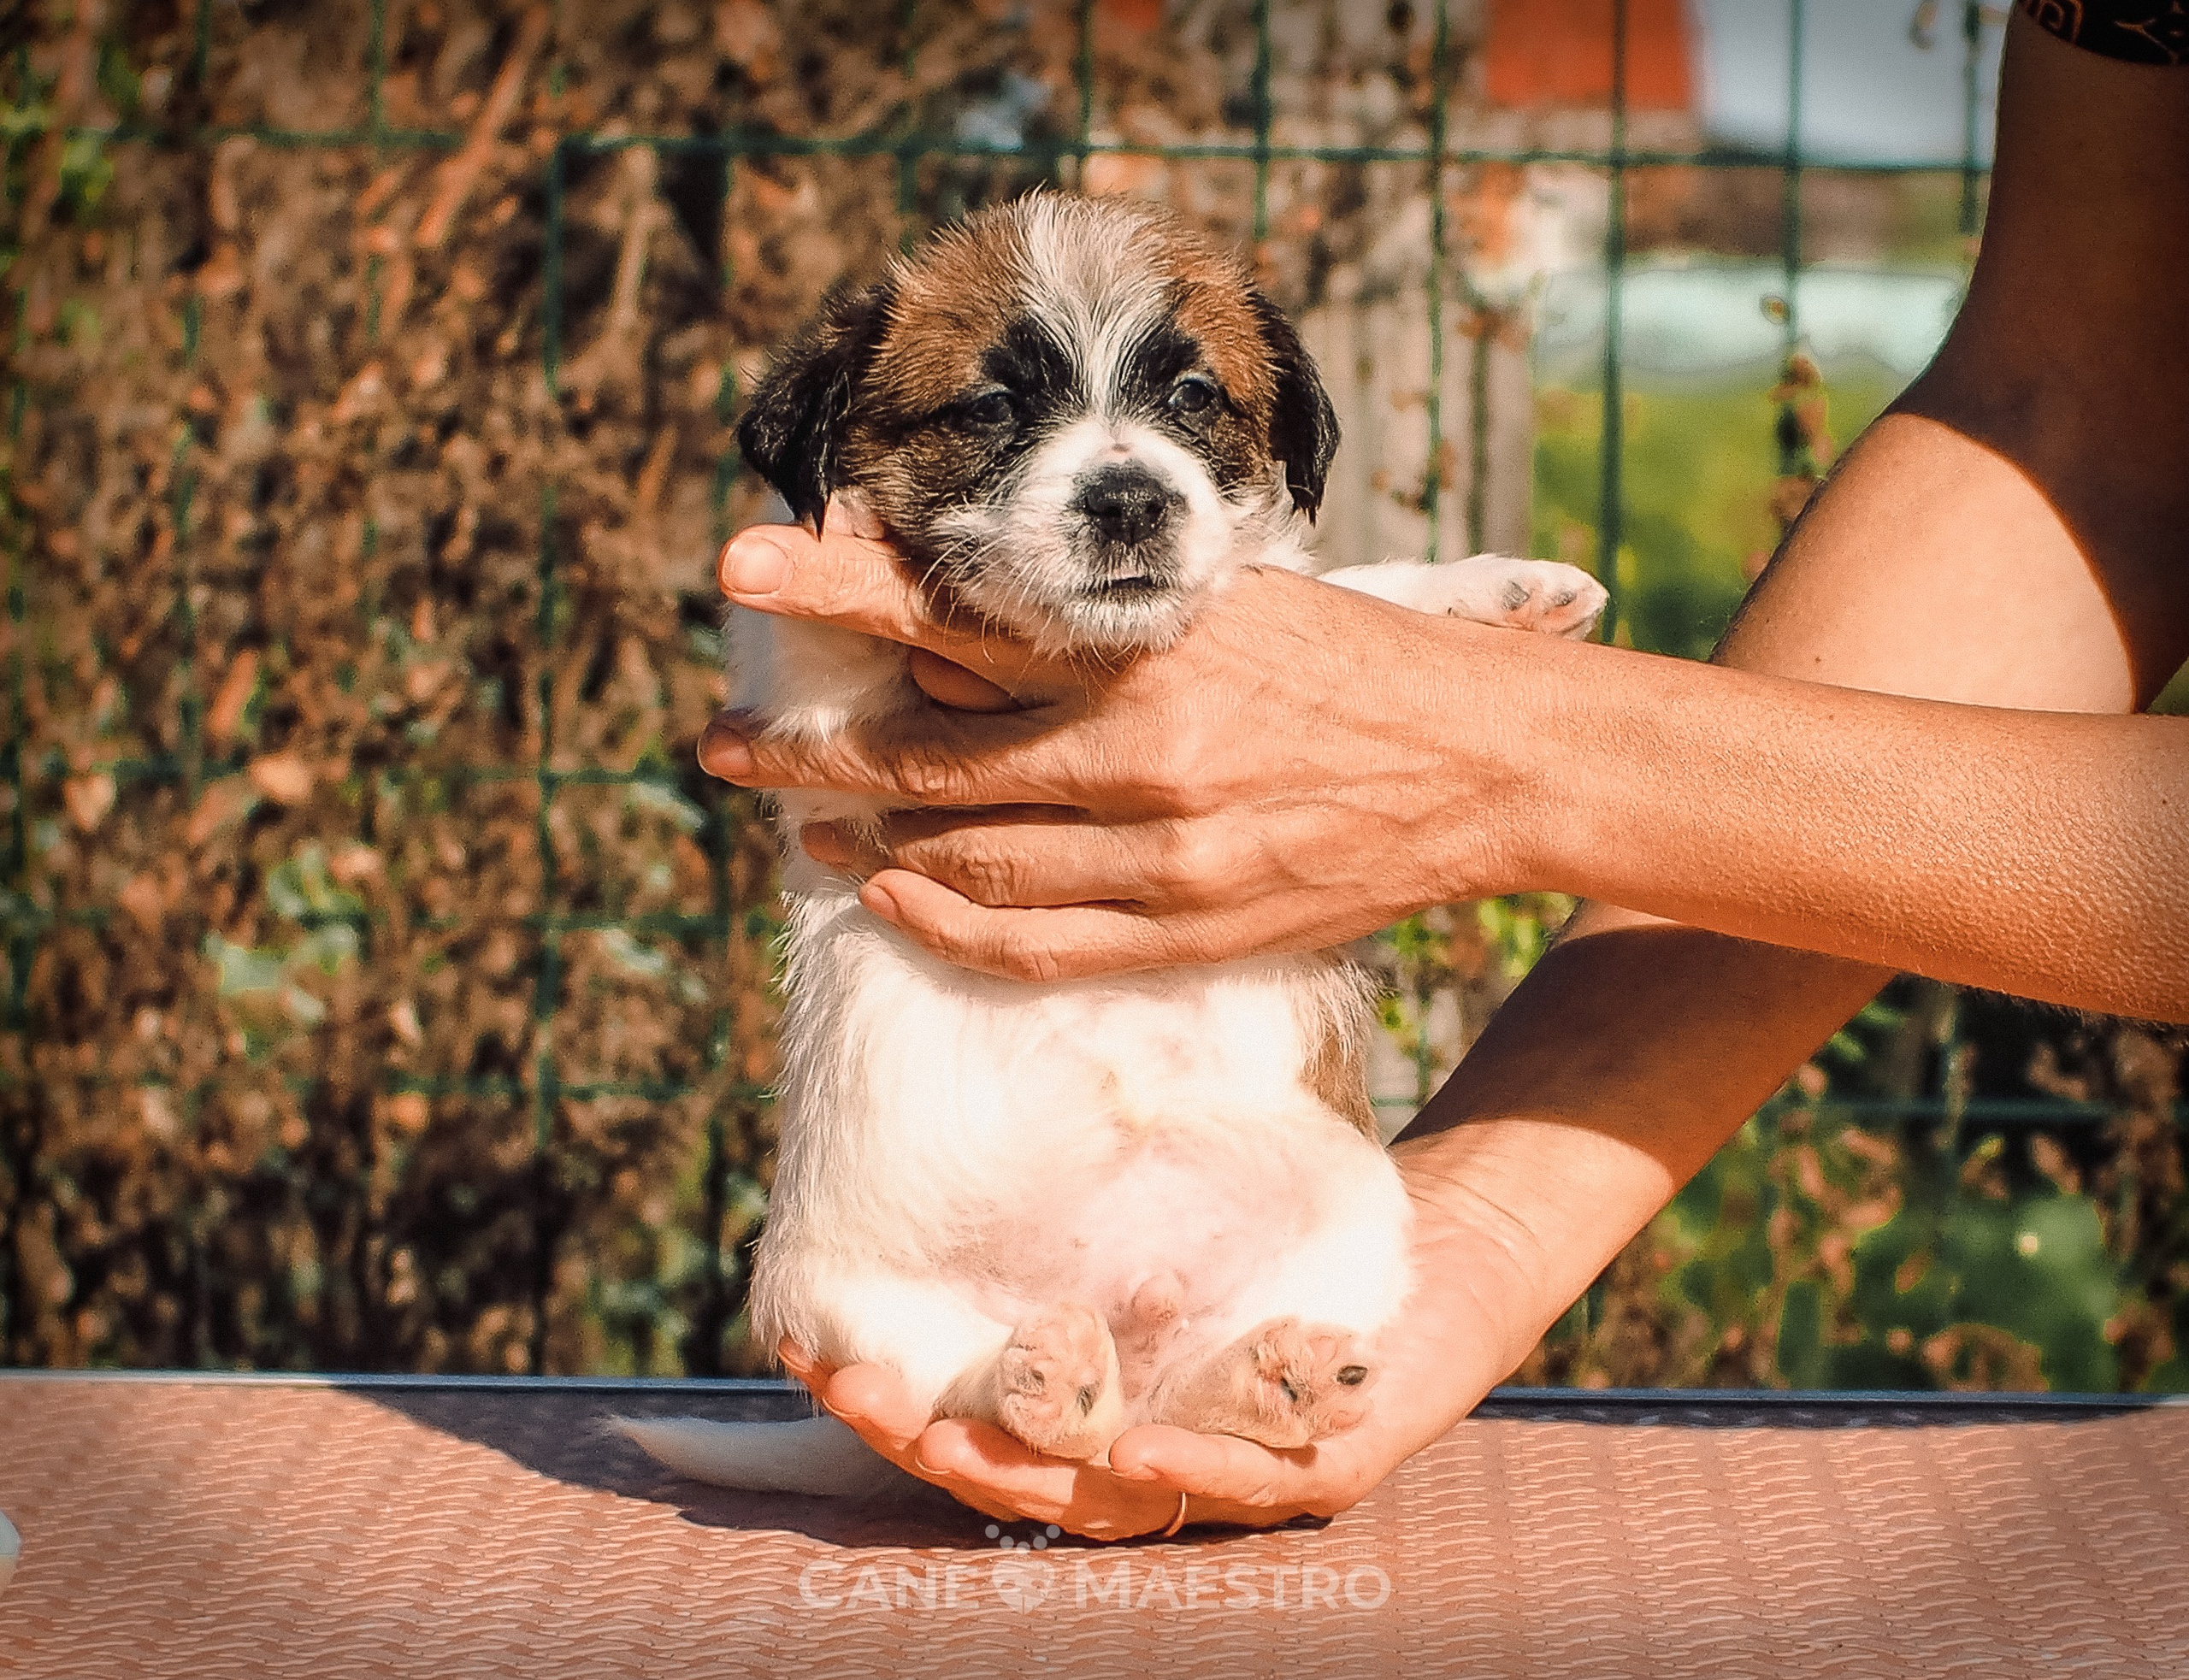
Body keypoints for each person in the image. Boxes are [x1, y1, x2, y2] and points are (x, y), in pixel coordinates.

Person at [697, 8, 2189, 1540]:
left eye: (1191, 402)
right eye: (997, 412)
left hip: (1205, 1173)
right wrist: (1484, 1226)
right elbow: (2077, 414)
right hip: (932, 1241)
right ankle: (1024, 1376)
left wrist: (1500, 749)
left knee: (1333, 1226)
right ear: (829, 439)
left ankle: (1209, 1371)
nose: (1123, 476)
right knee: (1349, 1230)